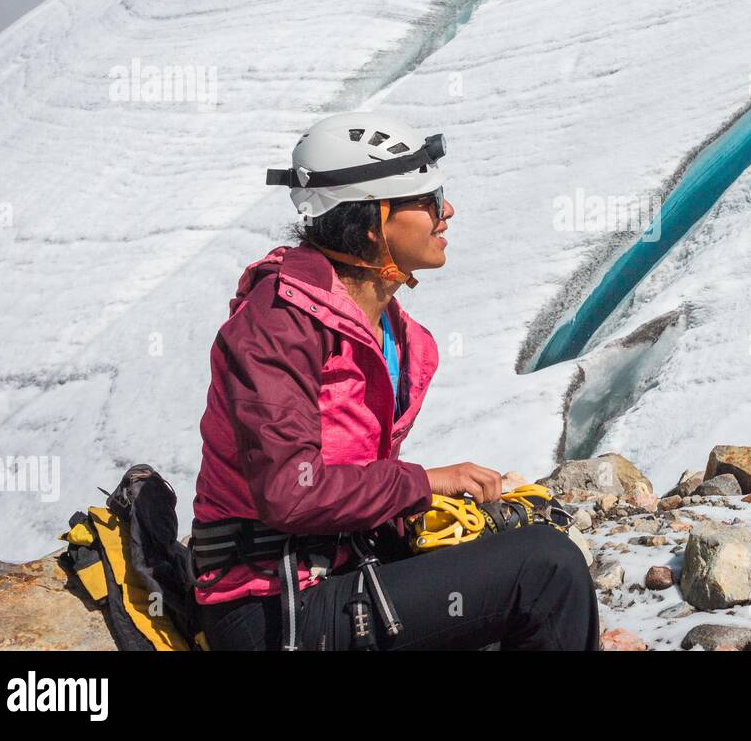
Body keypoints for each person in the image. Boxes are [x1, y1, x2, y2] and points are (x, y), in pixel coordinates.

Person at [190, 112, 599, 651]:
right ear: (370, 223)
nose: (446, 212)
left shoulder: (389, 328)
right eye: (429, 201)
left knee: (515, 547)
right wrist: (423, 483)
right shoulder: (276, 326)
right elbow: (291, 490)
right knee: (546, 569)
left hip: (334, 571)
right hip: (271, 608)